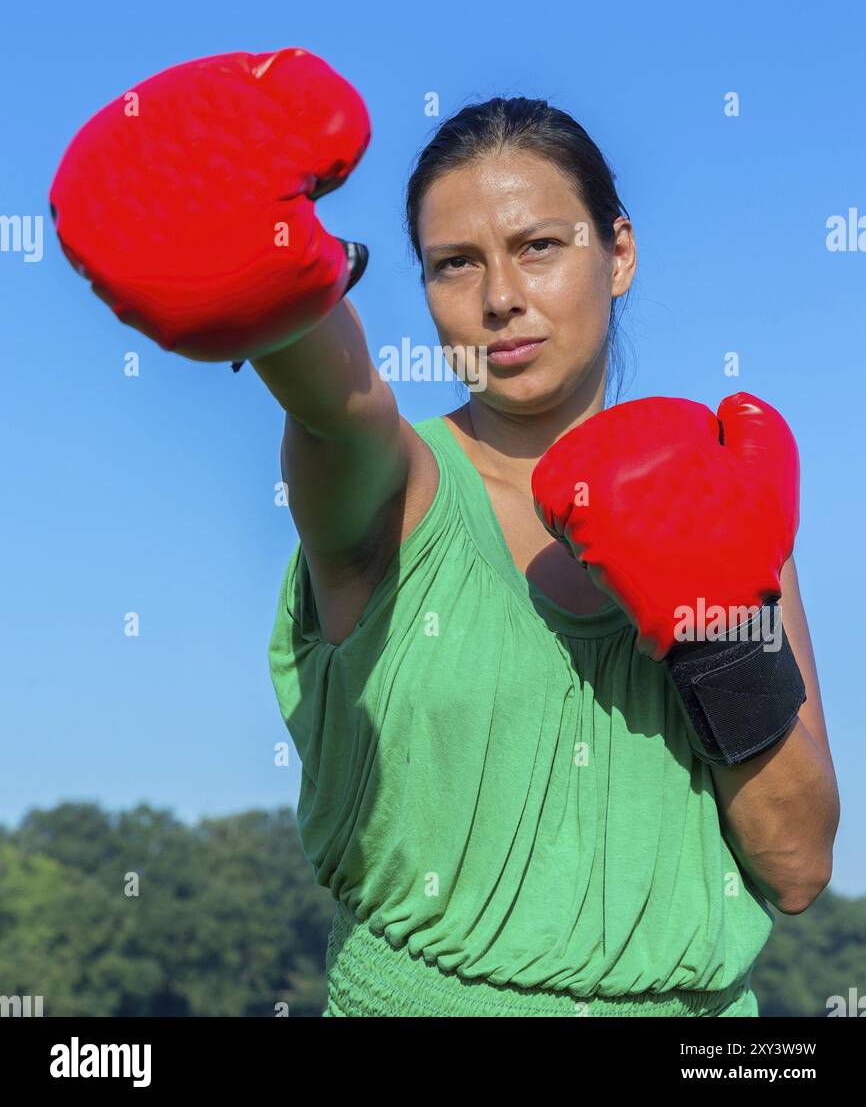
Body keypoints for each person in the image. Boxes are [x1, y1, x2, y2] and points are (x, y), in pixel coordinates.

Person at [50, 52, 839, 1017]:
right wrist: (259, 270)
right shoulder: (399, 495)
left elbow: (796, 866)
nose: (499, 296)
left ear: (619, 253)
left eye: (539, 245)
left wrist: (715, 637)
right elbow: (340, 411)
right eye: (454, 263)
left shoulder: (723, 502)